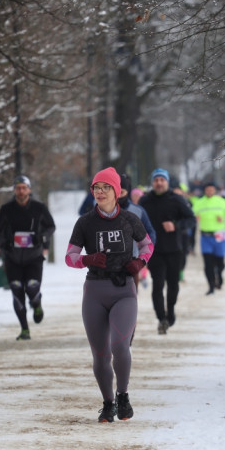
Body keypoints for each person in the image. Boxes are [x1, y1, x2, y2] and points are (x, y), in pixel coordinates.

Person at [65, 167, 154, 422]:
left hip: (123, 290)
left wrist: (140, 262)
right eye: (96, 187)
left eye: (106, 187)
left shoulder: (129, 220)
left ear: (117, 191)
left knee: (119, 344)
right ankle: (108, 403)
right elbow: (69, 257)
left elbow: (147, 244)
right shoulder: (85, 222)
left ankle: (123, 394)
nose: (100, 192)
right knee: (101, 353)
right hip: (94, 290)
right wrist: (86, 259)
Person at [0, 175, 56, 340]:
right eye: (18, 188)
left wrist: (40, 238)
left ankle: (37, 304)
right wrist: (3, 243)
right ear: (14, 190)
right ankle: (25, 329)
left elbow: (51, 226)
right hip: (13, 258)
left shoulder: (39, 207)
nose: (21, 191)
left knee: (32, 287)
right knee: (16, 290)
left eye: (24, 188)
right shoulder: (6, 209)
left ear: (29, 189)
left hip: (33, 257)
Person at [138, 168, 196, 334]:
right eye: (156, 180)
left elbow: (191, 219)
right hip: (153, 250)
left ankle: (170, 310)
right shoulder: (145, 201)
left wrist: (176, 225)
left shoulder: (176, 199)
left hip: (174, 249)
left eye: (162, 180)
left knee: (173, 285)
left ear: (167, 182)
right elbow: (135, 221)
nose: (159, 183)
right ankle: (161, 318)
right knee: (157, 285)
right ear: (152, 182)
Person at [193, 182, 225, 294]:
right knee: (207, 263)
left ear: (215, 190)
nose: (210, 192)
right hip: (205, 236)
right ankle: (211, 286)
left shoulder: (221, 202)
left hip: (219, 235)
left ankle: (219, 275)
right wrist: (195, 218)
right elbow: (191, 214)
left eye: (212, 189)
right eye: (208, 190)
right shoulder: (199, 203)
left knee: (220, 262)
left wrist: (224, 219)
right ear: (205, 191)